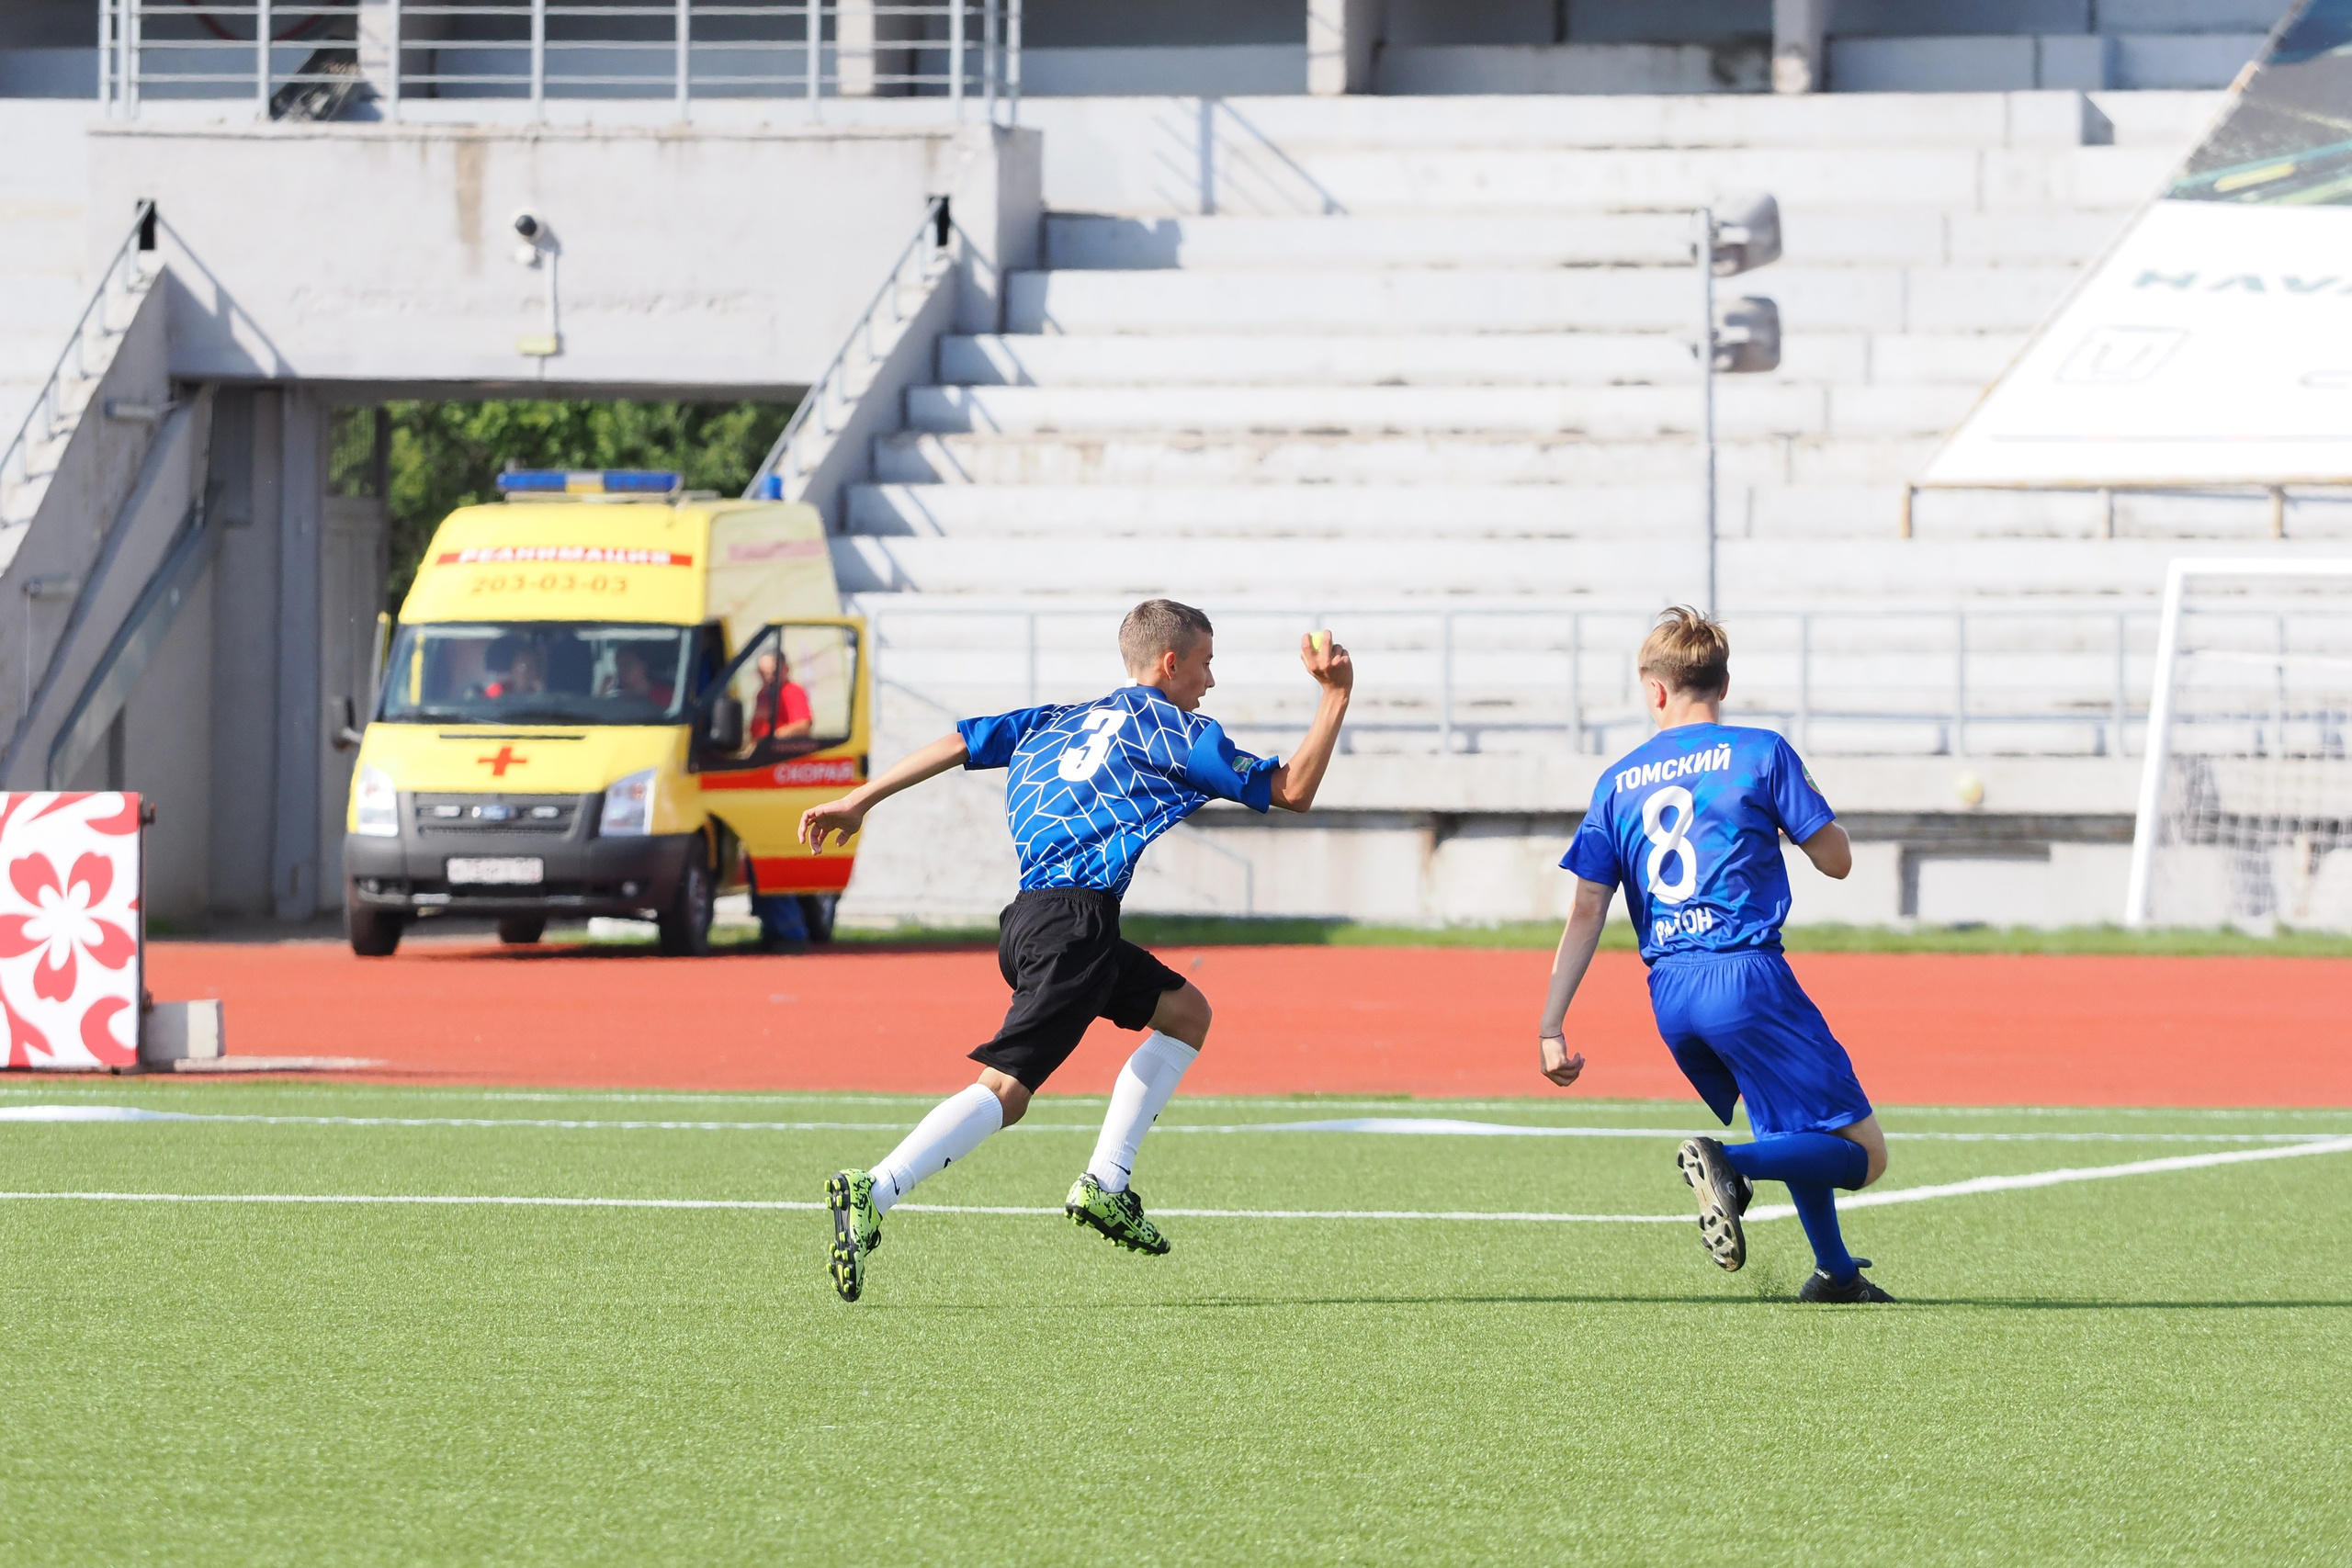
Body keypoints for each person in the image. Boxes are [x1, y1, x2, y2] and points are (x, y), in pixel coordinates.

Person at [797, 599, 1353, 1303]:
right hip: (1077, 927)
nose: (1211, 681)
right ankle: (873, 1188)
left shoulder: (1055, 719)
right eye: (1207, 664)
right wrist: (1334, 697)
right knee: (1006, 1091)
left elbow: (959, 742)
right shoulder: (1176, 731)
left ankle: (1107, 1182)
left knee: (1186, 1012)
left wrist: (861, 800)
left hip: (1032, 918)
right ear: (1170, 662)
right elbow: (1292, 788)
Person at [1536, 606, 1895, 1303]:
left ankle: (1835, 1273)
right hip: (1748, 976)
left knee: (1791, 1123)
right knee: (1864, 1155)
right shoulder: (1761, 753)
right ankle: (1727, 1165)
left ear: (1656, 691)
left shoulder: (1617, 781)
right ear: (1724, 684)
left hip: (1670, 987)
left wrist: (1551, 1026)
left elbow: (1587, 910)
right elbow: (1837, 860)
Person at [749, 649, 813, 745]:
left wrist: (773, 738)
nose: (768, 678)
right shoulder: (762, 695)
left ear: (786, 669)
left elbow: (803, 725)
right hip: (764, 753)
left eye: (772, 673)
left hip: (786, 752)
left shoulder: (792, 691)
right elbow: (755, 730)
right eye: (763, 673)